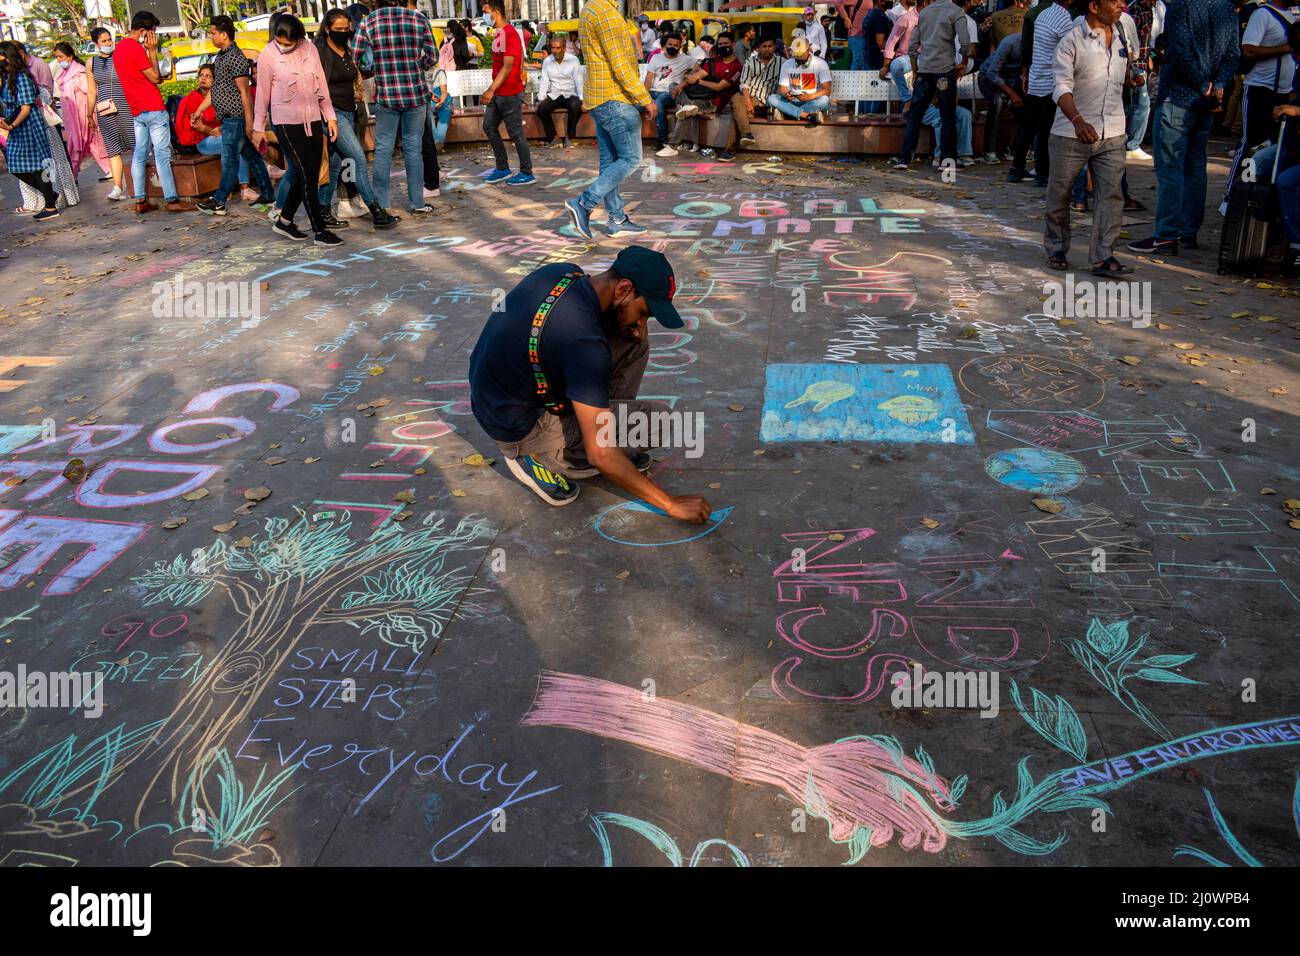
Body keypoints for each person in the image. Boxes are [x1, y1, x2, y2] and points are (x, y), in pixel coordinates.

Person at [468, 245, 710, 524]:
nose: (643, 323)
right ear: (623, 290)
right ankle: (540, 457)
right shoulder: (584, 343)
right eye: (644, 312)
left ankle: (594, 422)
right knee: (657, 422)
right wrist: (670, 504)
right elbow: (602, 452)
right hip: (520, 426)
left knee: (634, 341)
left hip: (495, 395)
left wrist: (629, 324)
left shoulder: (563, 272)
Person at [1128, 0, 1239, 254]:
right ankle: (1187, 232)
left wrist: (1206, 86)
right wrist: (1217, 86)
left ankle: (1167, 234)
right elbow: (1233, 54)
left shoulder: (1181, 6)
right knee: (1195, 168)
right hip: (1203, 100)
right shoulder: (1225, 8)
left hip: (1179, 96)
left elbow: (1180, 52)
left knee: (1172, 170)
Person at [1044, 0, 1133, 275]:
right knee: (1060, 195)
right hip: (1071, 133)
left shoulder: (1122, 33)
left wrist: (1132, 78)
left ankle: (1103, 257)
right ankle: (1057, 247)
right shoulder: (1071, 41)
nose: (1121, 3)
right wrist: (1077, 120)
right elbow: (1060, 87)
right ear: (1094, 6)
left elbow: (1119, 74)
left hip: (1113, 130)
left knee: (1111, 196)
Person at [564, 0, 657, 240]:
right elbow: (621, 66)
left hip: (599, 98)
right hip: (615, 98)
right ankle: (584, 203)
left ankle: (616, 218)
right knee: (631, 158)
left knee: (610, 163)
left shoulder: (589, 9)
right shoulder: (607, 14)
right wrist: (645, 98)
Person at [251, 14, 342, 246]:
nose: (283, 47)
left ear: (299, 38)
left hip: (312, 119)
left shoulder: (310, 49)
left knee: (308, 172)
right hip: (285, 123)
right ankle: (320, 230)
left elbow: (321, 85)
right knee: (306, 174)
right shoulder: (267, 56)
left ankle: (285, 220)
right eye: (280, 41)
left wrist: (330, 117)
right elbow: (262, 96)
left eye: (289, 43)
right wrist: (258, 128)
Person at [314, 10, 398, 227]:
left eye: (346, 28)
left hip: (348, 111)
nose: (343, 33)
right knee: (358, 159)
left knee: (335, 164)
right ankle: (376, 211)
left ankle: (322, 211)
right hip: (331, 115)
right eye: (338, 29)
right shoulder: (319, 54)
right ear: (327, 29)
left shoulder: (346, 51)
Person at [354, 0, 435, 214]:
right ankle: (417, 203)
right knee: (413, 150)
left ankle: (382, 204)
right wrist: (415, 67)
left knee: (382, 150)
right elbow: (432, 56)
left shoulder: (369, 21)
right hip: (415, 94)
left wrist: (373, 67)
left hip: (386, 95)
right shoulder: (419, 19)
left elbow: (355, 56)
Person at [196, 16, 276, 216]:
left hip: (236, 117)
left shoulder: (236, 57)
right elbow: (216, 90)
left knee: (229, 158)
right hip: (229, 118)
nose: (211, 37)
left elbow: (245, 92)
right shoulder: (220, 56)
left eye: (213, 33)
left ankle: (219, 200)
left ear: (224, 34)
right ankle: (267, 193)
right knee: (251, 155)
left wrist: (250, 123)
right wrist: (199, 110)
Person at [115, 12, 194, 213]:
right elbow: (155, 77)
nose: (154, 37)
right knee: (162, 154)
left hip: (137, 109)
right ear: (144, 31)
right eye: (153, 32)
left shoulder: (119, 49)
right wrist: (152, 51)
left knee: (139, 154)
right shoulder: (135, 48)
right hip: (152, 106)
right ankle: (172, 199)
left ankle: (140, 200)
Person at [1222, 0, 1294, 206]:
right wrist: (1286, 48)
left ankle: (1256, 196)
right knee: (1251, 143)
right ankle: (1233, 196)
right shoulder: (1262, 15)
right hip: (1259, 90)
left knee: (1272, 147)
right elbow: (1249, 50)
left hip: (1284, 94)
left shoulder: (1291, 15)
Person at [891, 0, 970, 170]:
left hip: (925, 72)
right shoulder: (956, 11)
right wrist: (963, 62)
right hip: (944, 72)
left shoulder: (925, 12)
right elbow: (965, 43)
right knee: (947, 117)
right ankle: (946, 161)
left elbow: (912, 47)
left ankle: (904, 159)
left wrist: (915, 70)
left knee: (915, 116)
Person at [12, 41, 79, 213]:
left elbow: (45, 96)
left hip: (42, 127)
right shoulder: (14, 78)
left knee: (49, 164)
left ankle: (54, 199)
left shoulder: (29, 74)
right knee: (35, 166)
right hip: (29, 128)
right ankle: (44, 199)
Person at [1014, 0, 1073, 186]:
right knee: (1046, 130)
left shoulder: (1041, 15)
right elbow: (1070, 52)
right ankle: (1042, 174)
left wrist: (1026, 71)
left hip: (1036, 76)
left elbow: (1029, 45)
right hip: (1050, 80)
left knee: (1030, 126)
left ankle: (1017, 168)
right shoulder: (1064, 19)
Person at [0, 41, 60, 221]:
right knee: (17, 166)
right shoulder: (8, 77)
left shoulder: (22, 77)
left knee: (37, 166)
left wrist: (11, 125)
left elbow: (25, 108)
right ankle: (50, 195)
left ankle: (50, 206)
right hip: (16, 126)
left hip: (28, 126)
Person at [479, 0, 533, 185]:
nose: (484, 16)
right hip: (497, 92)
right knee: (489, 126)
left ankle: (527, 172)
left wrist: (490, 89)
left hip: (509, 92)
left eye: (486, 12)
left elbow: (508, 66)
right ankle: (502, 168)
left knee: (516, 132)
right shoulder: (498, 34)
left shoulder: (510, 34)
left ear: (496, 12)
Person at [667, 30, 743, 156]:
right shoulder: (715, 61)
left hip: (714, 103)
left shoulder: (737, 67)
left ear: (733, 45)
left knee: (685, 112)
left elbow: (719, 87)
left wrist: (698, 82)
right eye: (721, 44)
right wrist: (681, 85)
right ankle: (688, 106)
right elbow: (696, 76)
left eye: (726, 43)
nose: (723, 46)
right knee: (673, 86)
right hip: (699, 97)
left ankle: (673, 145)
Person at [87, 27, 133, 201]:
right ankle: (117, 187)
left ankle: (140, 185)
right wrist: (88, 115)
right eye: (103, 41)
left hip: (126, 106)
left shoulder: (120, 56)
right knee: (113, 150)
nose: (108, 43)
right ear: (96, 43)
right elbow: (92, 91)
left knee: (136, 145)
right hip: (105, 110)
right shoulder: (91, 63)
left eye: (109, 39)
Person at [53, 43, 104, 179]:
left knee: (77, 145)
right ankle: (109, 169)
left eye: (61, 56)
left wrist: (89, 115)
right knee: (91, 143)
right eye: (57, 57)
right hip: (72, 117)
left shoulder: (79, 72)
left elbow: (91, 93)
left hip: (82, 115)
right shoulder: (64, 73)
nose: (58, 60)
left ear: (69, 56)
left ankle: (71, 176)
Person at [769, 36, 833, 127]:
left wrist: (811, 96)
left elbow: (827, 91)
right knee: (772, 99)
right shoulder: (787, 64)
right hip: (792, 101)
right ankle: (806, 115)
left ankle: (788, 113)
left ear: (808, 49)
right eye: (796, 56)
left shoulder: (821, 64)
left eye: (801, 55)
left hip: (812, 101)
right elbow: (782, 89)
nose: (798, 59)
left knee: (824, 100)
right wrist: (786, 94)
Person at [647, 31, 695, 153]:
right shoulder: (656, 58)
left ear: (680, 46)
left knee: (659, 103)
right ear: (665, 44)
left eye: (675, 45)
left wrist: (684, 82)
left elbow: (701, 68)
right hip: (652, 91)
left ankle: (662, 140)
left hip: (669, 92)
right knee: (633, 107)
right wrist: (644, 97)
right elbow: (648, 79)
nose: (672, 47)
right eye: (670, 44)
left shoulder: (686, 59)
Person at [733, 34, 783, 148]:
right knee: (738, 99)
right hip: (752, 99)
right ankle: (746, 134)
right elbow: (744, 84)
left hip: (770, 102)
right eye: (764, 46)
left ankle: (731, 148)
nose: (767, 49)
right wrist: (748, 102)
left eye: (770, 46)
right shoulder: (750, 61)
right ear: (758, 48)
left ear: (774, 47)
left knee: (736, 108)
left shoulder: (782, 62)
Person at [978, 30, 1021, 161]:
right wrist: (1011, 93)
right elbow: (991, 73)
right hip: (988, 78)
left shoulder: (1039, 45)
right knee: (997, 102)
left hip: (1012, 79)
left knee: (1026, 107)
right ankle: (988, 151)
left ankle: (1015, 149)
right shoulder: (1010, 43)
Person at [537, 35, 584, 148]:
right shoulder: (547, 61)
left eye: (558, 48)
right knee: (541, 109)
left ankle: (569, 137)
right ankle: (554, 138)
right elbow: (544, 81)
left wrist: (582, 98)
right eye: (553, 48)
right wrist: (541, 97)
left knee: (576, 106)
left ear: (564, 48)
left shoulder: (573, 60)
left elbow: (578, 79)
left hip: (570, 93)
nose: (555, 51)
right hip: (555, 94)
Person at [880, 0, 919, 101]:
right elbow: (891, 41)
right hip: (908, 57)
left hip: (928, 57)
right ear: (926, 3)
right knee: (896, 66)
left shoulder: (935, 19)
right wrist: (886, 65)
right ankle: (907, 99)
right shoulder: (906, 17)